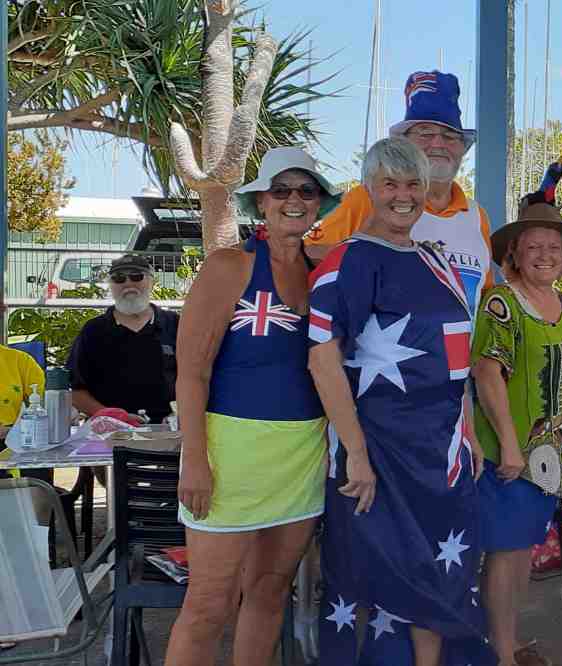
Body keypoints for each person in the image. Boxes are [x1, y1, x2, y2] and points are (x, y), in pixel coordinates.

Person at [308, 139, 492, 665]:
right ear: (369, 190)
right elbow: (322, 360)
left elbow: (456, 357)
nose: (403, 196)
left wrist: (470, 431)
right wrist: (357, 454)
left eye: (412, 184)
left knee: (440, 574)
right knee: (369, 571)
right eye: (390, 184)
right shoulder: (352, 259)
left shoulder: (437, 261)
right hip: (379, 452)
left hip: (441, 452)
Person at [167, 147, 341, 665]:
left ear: (319, 204)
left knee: (269, 592)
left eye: (306, 190)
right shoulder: (229, 267)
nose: (294, 199)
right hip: (230, 455)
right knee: (208, 604)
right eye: (281, 190)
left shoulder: (325, 270)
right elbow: (191, 372)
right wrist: (194, 459)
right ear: (261, 201)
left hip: (302, 455)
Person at [471, 163, 562, 666]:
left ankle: (509, 639)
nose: (544, 255)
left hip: (553, 461)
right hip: (514, 455)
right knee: (503, 552)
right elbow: (486, 372)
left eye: (553, 248)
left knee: (520, 551)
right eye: (533, 246)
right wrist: (511, 446)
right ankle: (499, 651)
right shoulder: (503, 301)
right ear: (513, 255)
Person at [307, 70, 495, 309]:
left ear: (462, 148)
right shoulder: (367, 198)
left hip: (461, 346)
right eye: (425, 133)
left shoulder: (477, 216)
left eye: (450, 136)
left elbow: (486, 294)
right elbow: (310, 255)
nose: (438, 144)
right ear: (404, 143)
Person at [66, 254, 180, 424]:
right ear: (111, 286)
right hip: (109, 431)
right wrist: (110, 416)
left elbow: (197, 378)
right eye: (119, 279)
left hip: (169, 428)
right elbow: (74, 390)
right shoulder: (93, 331)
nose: (128, 283)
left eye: (136, 276)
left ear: (151, 281)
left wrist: (180, 415)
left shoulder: (176, 325)